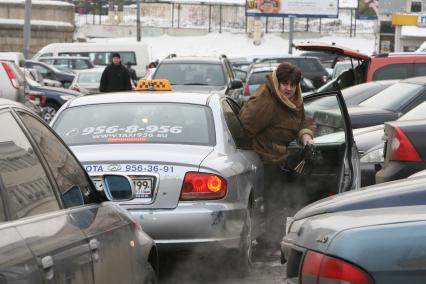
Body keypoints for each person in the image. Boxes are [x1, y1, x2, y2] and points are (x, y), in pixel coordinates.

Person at [239, 62, 314, 246]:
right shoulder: (267, 101)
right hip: (264, 159)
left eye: (292, 84)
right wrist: (258, 147)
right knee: (272, 203)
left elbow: (302, 120)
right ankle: (270, 242)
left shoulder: (295, 99)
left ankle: (273, 239)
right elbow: (244, 126)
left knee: (279, 201)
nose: (288, 88)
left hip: (280, 156)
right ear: (277, 82)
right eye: (285, 84)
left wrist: (306, 138)